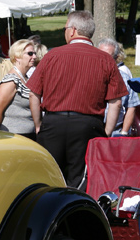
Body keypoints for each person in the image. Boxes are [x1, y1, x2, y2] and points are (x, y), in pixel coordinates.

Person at [27, 10, 127, 189]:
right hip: (88, 126)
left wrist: (38, 124)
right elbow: (116, 102)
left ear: (72, 30)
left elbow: (33, 94)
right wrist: (106, 132)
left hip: (53, 123)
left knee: (49, 178)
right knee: (82, 181)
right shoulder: (106, 60)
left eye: (65, 28)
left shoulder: (52, 56)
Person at [0, 39, 37, 139]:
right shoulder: (11, 80)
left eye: (34, 53)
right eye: (30, 53)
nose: (34, 56)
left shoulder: (25, 78)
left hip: (28, 135)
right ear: (17, 57)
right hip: (14, 136)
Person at [96, 38, 140, 136]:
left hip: (116, 132)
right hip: (94, 130)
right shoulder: (88, 76)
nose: (103, 60)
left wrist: (124, 132)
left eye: (108, 57)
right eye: (100, 55)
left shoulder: (125, 79)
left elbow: (131, 106)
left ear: (116, 58)